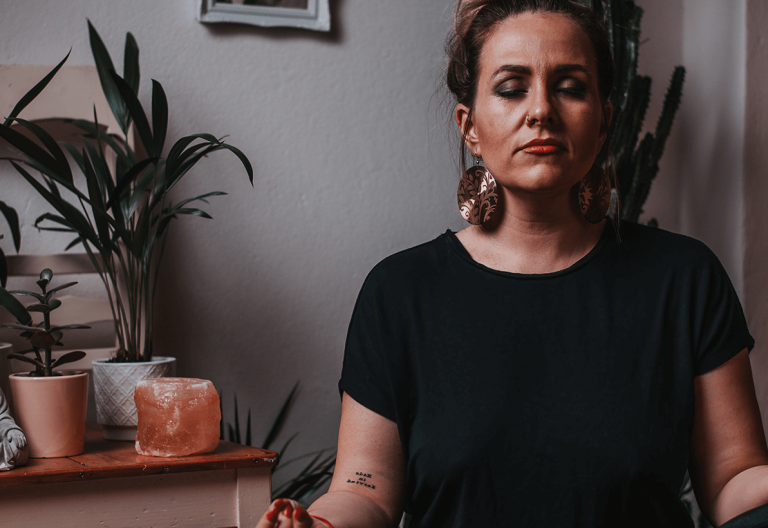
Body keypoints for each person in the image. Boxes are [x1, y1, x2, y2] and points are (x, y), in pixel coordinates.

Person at [255, 1, 768, 526]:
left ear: (605, 120)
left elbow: (734, 478)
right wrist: (316, 524)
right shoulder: (399, 293)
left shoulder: (684, 279)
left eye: (570, 86)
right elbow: (364, 491)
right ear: (469, 125)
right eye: (510, 88)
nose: (541, 109)